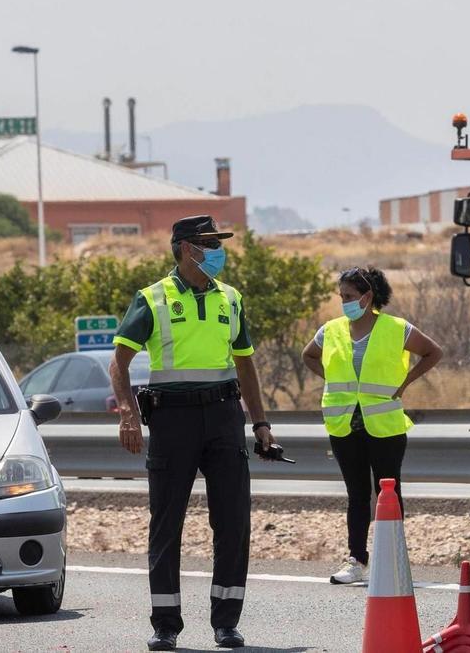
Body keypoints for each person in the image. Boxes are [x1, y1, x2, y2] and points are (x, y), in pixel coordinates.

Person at [109, 215, 276, 651]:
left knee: (234, 522)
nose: (218, 251)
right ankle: (165, 624)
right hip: (172, 421)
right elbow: (119, 362)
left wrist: (261, 424)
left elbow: (245, 364)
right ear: (185, 248)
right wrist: (127, 413)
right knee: (167, 524)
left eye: (219, 243)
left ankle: (226, 622)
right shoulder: (152, 298)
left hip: (224, 416)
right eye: (209, 243)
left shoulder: (231, 299)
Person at [302, 266, 443, 584]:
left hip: (385, 422)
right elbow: (308, 356)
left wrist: (406, 382)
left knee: (388, 491)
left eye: (349, 296)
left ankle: (393, 560)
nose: (344, 302)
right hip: (344, 423)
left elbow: (434, 352)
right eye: (341, 297)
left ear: (367, 297)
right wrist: (335, 379)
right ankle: (356, 560)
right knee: (356, 493)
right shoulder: (332, 330)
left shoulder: (396, 328)